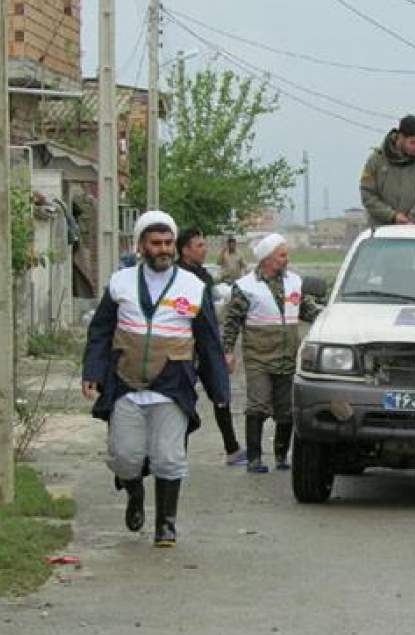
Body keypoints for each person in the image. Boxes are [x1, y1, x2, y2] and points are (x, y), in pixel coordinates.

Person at [81, 211, 230, 547]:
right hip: (125, 382)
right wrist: (92, 371)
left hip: (172, 385)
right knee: (125, 456)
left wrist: (218, 388)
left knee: (168, 456)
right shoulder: (120, 283)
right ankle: (134, 493)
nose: (163, 249)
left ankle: (166, 524)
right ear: (141, 246)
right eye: (156, 243)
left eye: (168, 243)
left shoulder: (193, 287)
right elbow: (101, 331)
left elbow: (208, 342)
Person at [222, 233, 321, 473]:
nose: (286, 259)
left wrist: (331, 318)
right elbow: (232, 322)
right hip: (259, 357)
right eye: (282, 255)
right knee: (257, 405)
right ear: (266, 258)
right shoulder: (245, 287)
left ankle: (280, 455)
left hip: (288, 356)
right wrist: (227, 352)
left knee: (286, 409)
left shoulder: (295, 282)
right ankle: (255, 457)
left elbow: (308, 311)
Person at [176, 227, 246, 467]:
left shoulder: (203, 276)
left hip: (209, 345)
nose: (204, 249)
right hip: (187, 346)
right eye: (199, 246)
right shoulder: (177, 278)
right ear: (185, 250)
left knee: (221, 395)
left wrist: (223, 349)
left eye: (204, 245)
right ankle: (176, 454)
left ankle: (232, 449)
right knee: (182, 399)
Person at [360, 114, 415, 227]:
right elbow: (367, 195)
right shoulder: (376, 160)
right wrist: (392, 216)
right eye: (413, 142)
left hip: (410, 230)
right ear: (401, 137)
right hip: (380, 231)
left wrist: (411, 218)